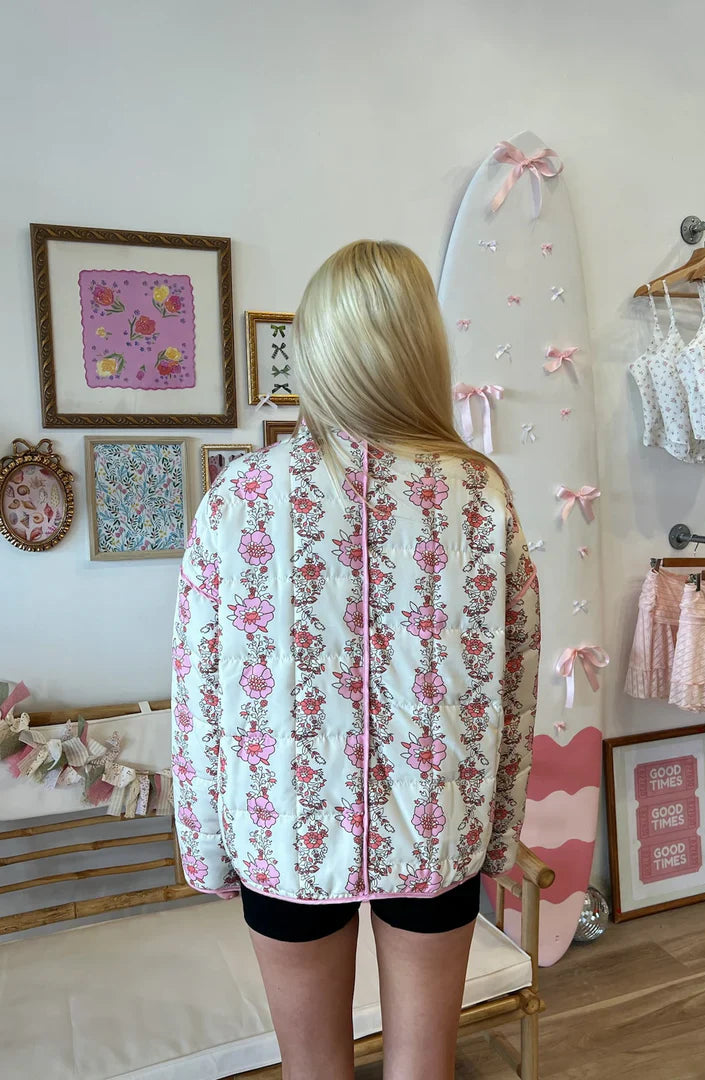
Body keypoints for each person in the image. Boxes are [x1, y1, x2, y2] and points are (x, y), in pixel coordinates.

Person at [171, 240, 540, 1080]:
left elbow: (198, 694)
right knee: (424, 1068)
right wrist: (498, 832)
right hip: (439, 822)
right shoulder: (478, 496)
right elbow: (516, 683)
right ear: (422, 347)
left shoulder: (241, 498)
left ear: (317, 349)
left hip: (282, 830)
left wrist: (208, 847)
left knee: (312, 1073)